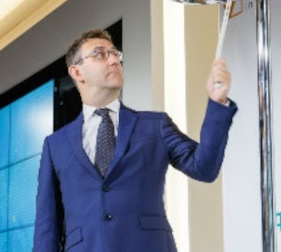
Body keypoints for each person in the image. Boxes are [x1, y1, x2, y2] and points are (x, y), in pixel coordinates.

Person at [33, 29, 237, 252]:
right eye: (100, 54)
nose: (113, 60)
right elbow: (46, 229)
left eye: (115, 53)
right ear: (77, 72)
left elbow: (204, 167)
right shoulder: (55, 145)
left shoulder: (156, 125)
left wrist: (218, 102)